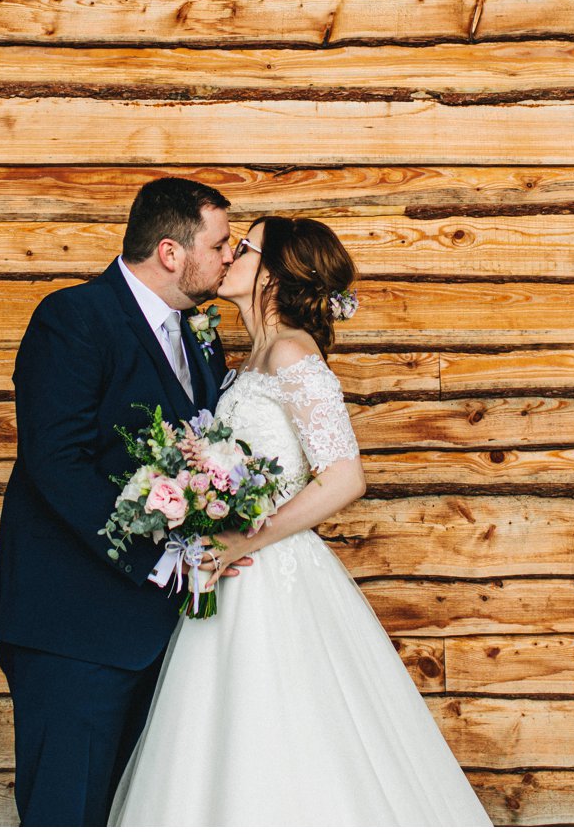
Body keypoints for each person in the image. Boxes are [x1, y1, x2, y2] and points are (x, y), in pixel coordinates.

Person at [110, 216, 492, 825]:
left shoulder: (290, 351)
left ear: (276, 273)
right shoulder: (245, 359)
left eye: (246, 246)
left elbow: (344, 476)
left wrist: (243, 537)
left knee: (286, 729)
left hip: (271, 570)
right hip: (230, 573)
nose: (231, 254)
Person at [0, 176, 245, 826]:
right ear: (170, 252)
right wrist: (160, 558)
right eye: (220, 244)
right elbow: (57, 464)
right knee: (67, 816)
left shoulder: (200, 335)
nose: (229, 257)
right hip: (74, 628)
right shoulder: (73, 319)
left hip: (159, 635)